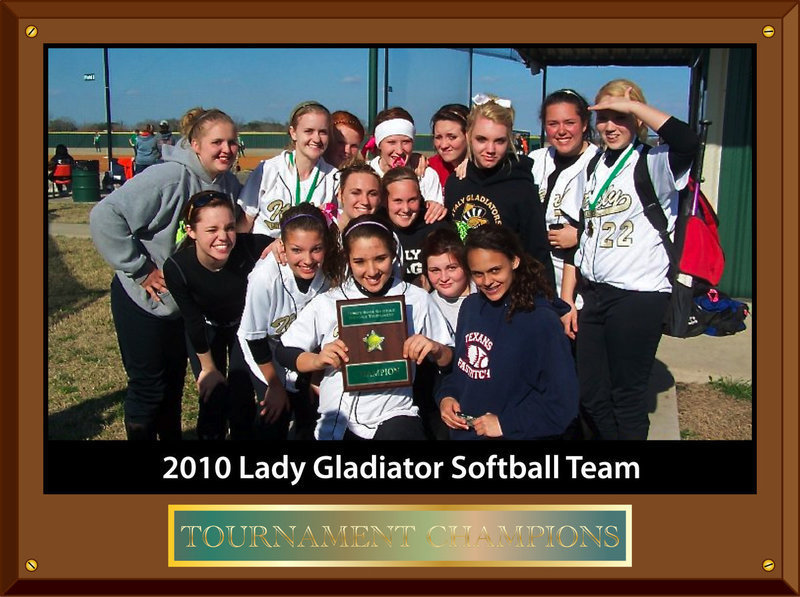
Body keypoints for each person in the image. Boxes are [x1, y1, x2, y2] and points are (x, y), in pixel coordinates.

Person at [89, 107, 241, 440]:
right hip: (146, 302)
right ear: (195, 145)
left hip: (183, 305)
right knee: (149, 388)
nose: (226, 149)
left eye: (232, 142)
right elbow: (105, 215)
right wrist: (140, 268)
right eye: (217, 142)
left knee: (173, 388)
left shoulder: (227, 183)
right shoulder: (169, 178)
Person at [571, 79, 699, 440]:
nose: (610, 126)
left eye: (621, 117)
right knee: (591, 394)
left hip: (638, 295)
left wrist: (637, 108)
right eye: (604, 117)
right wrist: (575, 296)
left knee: (625, 397)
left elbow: (688, 140)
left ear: (638, 120)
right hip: (594, 294)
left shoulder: (654, 162)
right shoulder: (594, 165)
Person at [275, 215, 453, 441]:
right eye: (359, 261)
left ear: (394, 254)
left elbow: (450, 358)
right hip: (338, 414)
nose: (371, 271)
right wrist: (317, 360)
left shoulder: (416, 298)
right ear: (348, 260)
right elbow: (284, 351)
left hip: (395, 411)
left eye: (381, 258)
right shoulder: (329, 301)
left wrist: (435, 349)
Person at [436, 224, 578, 440]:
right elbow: (462, 372)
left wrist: (507, 423)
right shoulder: (471, 308)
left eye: (495, 270)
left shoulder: (541, 321)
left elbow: (562, 404)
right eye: (478, 274)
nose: (488, 281)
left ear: (514, 261)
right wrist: (447, 396)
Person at [162, 191, 272, 440]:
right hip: (205, 327)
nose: (223, 237)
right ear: (191, 231)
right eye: (211, 230)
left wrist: (281, 244)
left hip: (241, 328)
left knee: (241, 396)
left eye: (229, 227)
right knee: (212, 395)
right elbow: (191, 319)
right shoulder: (178, 267)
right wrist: (209, 368)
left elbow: (284, 242)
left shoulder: (250, 247)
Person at [238, 203, 340, 440]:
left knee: (311, 414)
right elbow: (254, 337)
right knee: (274, 414)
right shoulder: (265, 276)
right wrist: (273, 385)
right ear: (281, 247)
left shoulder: (328, 269)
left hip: (305, 352)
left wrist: (316, 374)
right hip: (265, 350)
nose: (307, 259)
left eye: (316, 249)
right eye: (297, 250)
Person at [445, 94, 555, 290]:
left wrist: (549, 303)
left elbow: (537, 252)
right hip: (465, 294)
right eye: (481, 139)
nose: (490, 149)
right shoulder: (456, 182)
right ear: (468, 135)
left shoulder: (521, 187)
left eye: (500, 141)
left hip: (513, 295)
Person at [528, 89, 601, 336]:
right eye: (553, 123)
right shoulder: (536, 160)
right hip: (537, 280)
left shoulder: (599, 163)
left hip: (579, 287)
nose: (561, 130)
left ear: (584, 125)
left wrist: (582, 234)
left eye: (570, 122)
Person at [238, 101, 339, 237]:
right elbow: (245, 221)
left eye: (323, 132)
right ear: (293, 133)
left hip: (307, 256)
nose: (316, 138)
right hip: (263, 254)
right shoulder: (267, 170)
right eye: (309, 131)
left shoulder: (334, 177)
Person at [367, 107, 446, 223]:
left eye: (406, 142)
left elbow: (432, 219)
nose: (399, 150)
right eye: (391, 142)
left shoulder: (426, 176)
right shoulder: (367, 174)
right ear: (379, 144)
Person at [379, 166, 451, 286]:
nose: (406, 209)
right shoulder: (377, 229)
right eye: (398, 201)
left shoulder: (436, 225)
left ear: (420, 197)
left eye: (412, 200)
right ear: (384, 201)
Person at [428, 103, 469, 195]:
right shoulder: (429, 168)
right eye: (438, 137)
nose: (443, 145)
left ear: (468, 136)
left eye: (452, 137)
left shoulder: (482, 169)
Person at [332, 158, 381, 231]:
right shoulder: (322, 229)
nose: (365, 201)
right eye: (356, 193)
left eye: (372, 194)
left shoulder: (386, 236)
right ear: (340, 195)